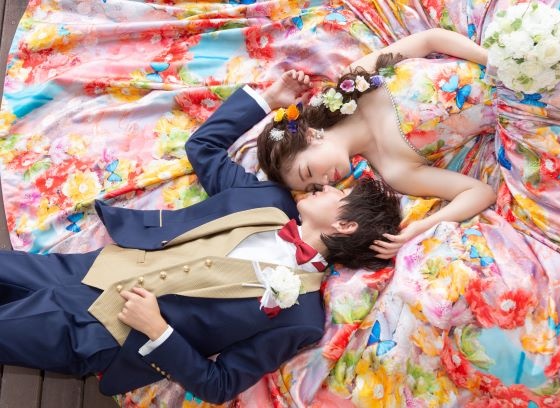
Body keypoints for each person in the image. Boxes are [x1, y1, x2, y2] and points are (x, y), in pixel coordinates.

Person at [0, 72, 401, 404]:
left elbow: (219, 384)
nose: (328, 187)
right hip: (86, 269)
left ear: (345, 226)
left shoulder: (302, 318)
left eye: (339, 196)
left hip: (103, 334)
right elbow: (203, 148)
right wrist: (268, 99)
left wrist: (158, 330)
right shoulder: (269, 200)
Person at [256, 28, 498, 258]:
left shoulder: (354, 81)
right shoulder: (395, 172)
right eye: (314, 187)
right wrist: (422, 226)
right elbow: (480, 192)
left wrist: (491, 61)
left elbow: (430, 40)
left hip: (493, 55)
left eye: (308, 171)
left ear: (309, 136)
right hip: (512, 105)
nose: (324, 181)